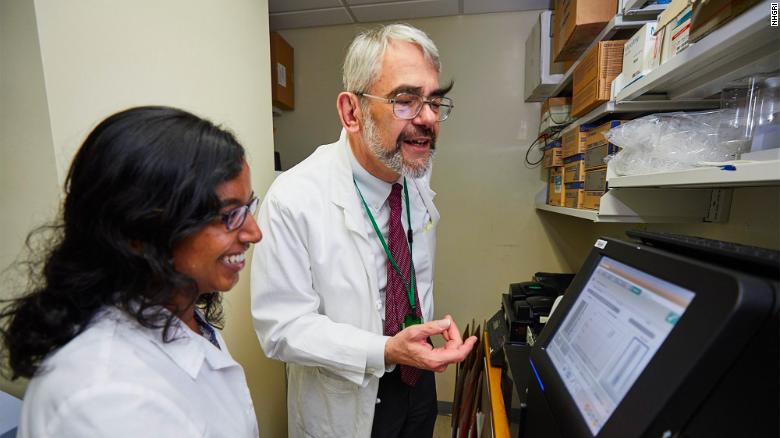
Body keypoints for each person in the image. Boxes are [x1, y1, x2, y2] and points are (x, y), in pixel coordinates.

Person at [251, 24, 477, 438]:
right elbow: (281, 329)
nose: (427, 118)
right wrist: (386, 349)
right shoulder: (293, 198)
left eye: (434, 101)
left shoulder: (412, 172)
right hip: (347, 397)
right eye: (406, 101)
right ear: (352, 112)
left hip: (417, 382)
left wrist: (420, 336)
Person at [0, 106, 262, 437]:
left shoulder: (179, 311)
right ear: (140, 230)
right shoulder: (107, 399)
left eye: (248, 207)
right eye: (230, 214)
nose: (254, 233)